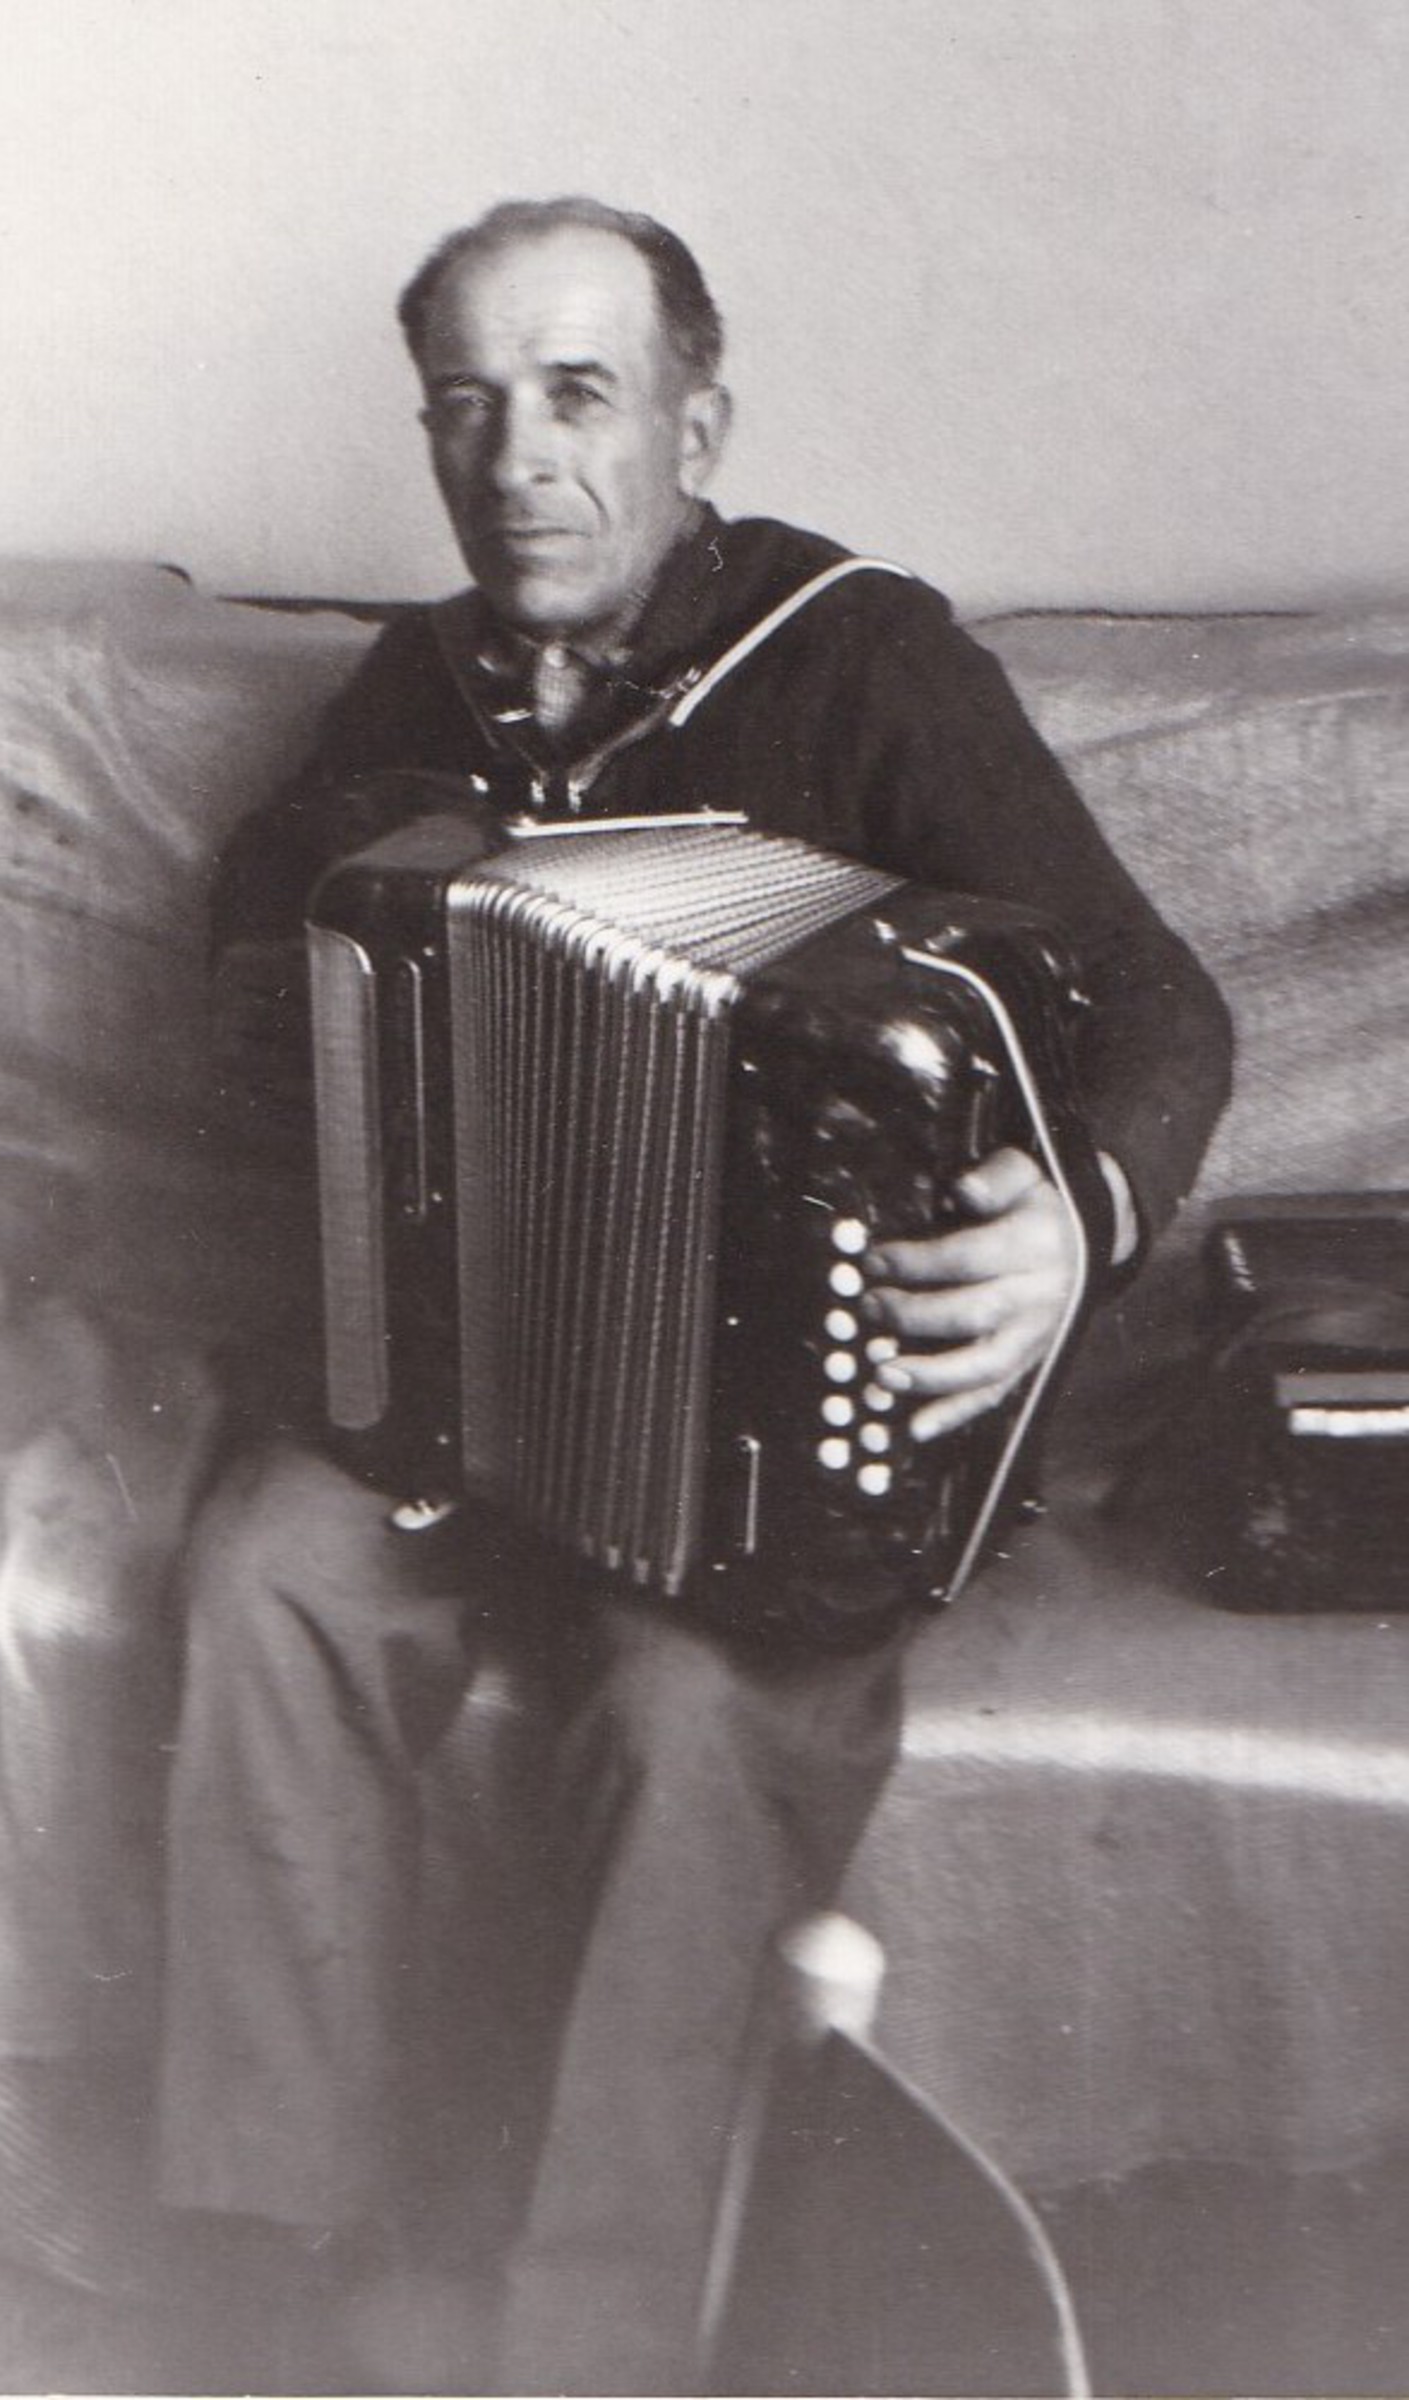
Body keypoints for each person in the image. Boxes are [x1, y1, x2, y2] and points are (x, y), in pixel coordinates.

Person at [158, 197, 1232, 2394]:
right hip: (476, 1389)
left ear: (695, 425)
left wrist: (1077, 1217)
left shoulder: (865, 658)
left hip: (768, 1431)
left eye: (579, 395)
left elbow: (1158, 1004)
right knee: (268, 1569)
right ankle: (284, 2272)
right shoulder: (417, 684)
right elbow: (251, 967)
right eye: (467, 405)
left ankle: (587, 2347)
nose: (517, 460)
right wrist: (330, 1005)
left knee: (684, 1712)